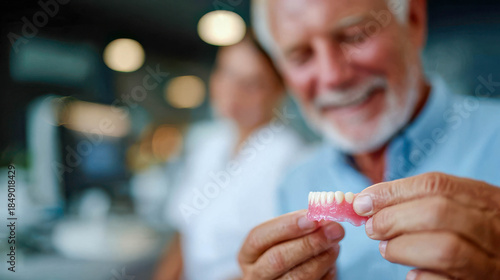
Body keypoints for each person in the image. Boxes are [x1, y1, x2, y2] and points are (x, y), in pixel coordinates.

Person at [237, 0, 500, 279]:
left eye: (356, 35)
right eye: (301, 56)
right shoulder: (294, 186)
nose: (333, 76)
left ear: (413, 20)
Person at [153, 33, 307, 280]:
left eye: (252, 83)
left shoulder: (289, 157)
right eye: (226, 73)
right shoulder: (209, 144)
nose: (233, 91)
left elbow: (281, 261)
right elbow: (184, 236)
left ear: (278, 90)